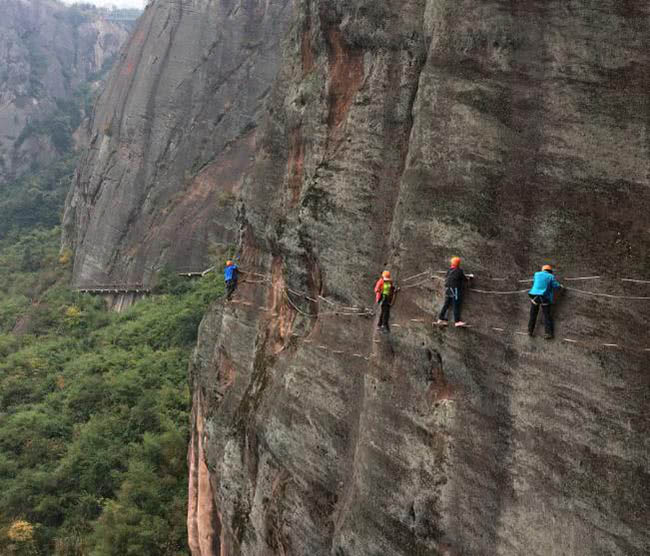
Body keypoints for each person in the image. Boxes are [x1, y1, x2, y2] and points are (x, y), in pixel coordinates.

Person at [435, 256, 472, 327]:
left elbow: (447, 277)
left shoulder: (449, 270)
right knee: (456, 304)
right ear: (458, 263)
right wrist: (470, 277)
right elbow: (465, 279)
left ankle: (440, 318)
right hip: (455, 289)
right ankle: (457, 321)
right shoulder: (459, 271)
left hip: (448, 289)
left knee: (447, 304)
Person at [528, 264, 562, 339]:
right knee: (547, 316)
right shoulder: (550, 276)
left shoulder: (536, 274)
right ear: (550, 271)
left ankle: (530, 330)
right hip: (544, 297)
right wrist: (560, 286)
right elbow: (555, 286)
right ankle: (548, 333)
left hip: (534, 297)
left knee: (533, 314)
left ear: (543, 270)